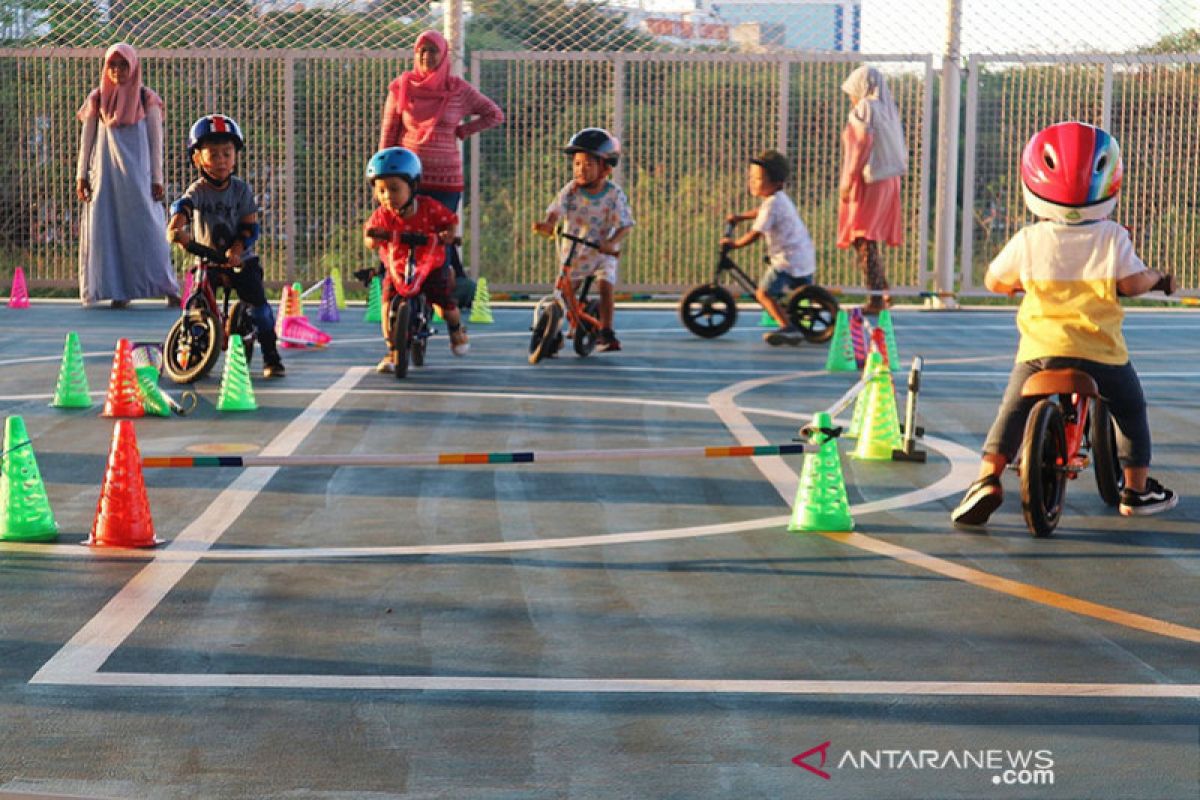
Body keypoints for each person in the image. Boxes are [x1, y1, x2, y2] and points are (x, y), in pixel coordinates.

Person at [951, 121, 1178, 527]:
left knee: (1012, 409)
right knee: (1130, 409)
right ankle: (1136, 488)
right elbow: (1131, 282)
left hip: (1040, 353)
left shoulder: (1029, 239)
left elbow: (993, 280)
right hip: (1100, 353)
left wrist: (1017, 283)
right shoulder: (1111, 236)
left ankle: (987, 478)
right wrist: (1159, 277)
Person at [378, 30, 504, 295]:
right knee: (404, 235)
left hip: (446, 182)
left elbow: (494, 114)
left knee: (439, 240)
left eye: (433, 50)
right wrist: (383, 181)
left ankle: (441, 300)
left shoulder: (457, 89)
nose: (426, 56)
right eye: (421, 51)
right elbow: (388, 135)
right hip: (407, 179)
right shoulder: (401, 88)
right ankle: (401, 296)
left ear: (443, 54)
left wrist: (463, 131)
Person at [166, 114, 285, 379]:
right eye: (213, 154)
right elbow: (183, 206)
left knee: (260, 308)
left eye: (227, 154)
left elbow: (250, 226)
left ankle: (271, 356)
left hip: (240, 260)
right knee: (193, 300)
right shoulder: (198, 190)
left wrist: (238, 249)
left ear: (235, 157)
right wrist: (177, 227)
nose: (221, 160)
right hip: (207, 259)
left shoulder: (241, 190)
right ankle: (194, 349)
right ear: (197, 158)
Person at [76, 43, 180, 308]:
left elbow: (156, 142)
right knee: (108, 231)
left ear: (133, 67)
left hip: (138, 177)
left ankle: (168, 286)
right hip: (106, 179)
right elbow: (86, 140)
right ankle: (118, 290)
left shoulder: (147, 99)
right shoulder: (97, 98)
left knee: (150, 230)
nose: (118, 71)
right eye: (113, 65)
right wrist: (81, 176)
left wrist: (157, 178)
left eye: (123, 65)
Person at [362, 146, 467, 371]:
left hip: (430, 264)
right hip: (398, 266)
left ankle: (456, 329)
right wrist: (372, 240)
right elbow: (371, 232)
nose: (388, 197)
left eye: (394, 189)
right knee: (387, 302)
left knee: (444, 304)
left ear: (412, 187)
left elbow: (449, 220)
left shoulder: (428, 207)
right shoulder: (383, 214)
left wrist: (449, 234)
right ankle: (392, 350)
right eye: (381, 191)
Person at [532, 128, 634, 352]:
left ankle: (607, 331)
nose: (581, 170)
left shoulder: (613, 194)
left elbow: (625, 224)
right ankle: (557, 332)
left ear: (605, 168)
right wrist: (548, 225)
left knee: (605, 285)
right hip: (574, 252)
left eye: (588, 164)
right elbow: (555, 212)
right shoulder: (571, 190)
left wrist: (611, 242)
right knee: (564, 293)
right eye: (577, 164)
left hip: (601, 252)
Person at [722, 149, 816, 346]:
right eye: (752, 177)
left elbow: (756, 233)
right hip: (802, 255)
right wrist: (741, 217)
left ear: (777, 183)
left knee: (763, 294)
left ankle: (788, 328)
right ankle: (797, 320)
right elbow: (760, 212)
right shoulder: (777, 199)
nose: (753, 182)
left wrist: (734, 244)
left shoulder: (772, 204)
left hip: (788, 259)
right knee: (797, 294)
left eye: (759, 179)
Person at [837, 64, 906, 315]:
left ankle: (876, 296)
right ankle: (882, 290)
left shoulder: (865, 107)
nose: (851, 98)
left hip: (870, 179)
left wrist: (848, 180)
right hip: (888, 179)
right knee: (868, 237)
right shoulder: (887, 109)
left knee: (862, 235)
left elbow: (860, 145)